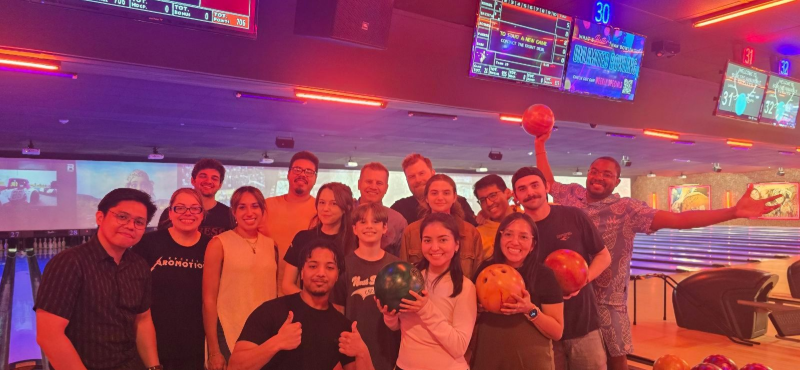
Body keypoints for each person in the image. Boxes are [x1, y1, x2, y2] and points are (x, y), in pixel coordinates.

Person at [533, 132, 781, 370]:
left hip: (606, 298)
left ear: (617, 182)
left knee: (617, 353)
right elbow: (547, 183)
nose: (598, 177)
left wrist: (733, 212)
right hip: (568, 295)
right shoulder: (572, 195)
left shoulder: (628, 209)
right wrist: (540, 144)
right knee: (565, 350)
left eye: (607, 174)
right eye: (594, 171)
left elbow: (679, 219)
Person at [35, 188, 162, 370]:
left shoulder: (139, 266)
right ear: (100, 217)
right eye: (122, 217)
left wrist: (154, 367)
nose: (130, 225)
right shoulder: (69, 263)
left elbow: (142, 320)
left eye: (139, 222)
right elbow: (49, 335)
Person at [512, 167, 611, 370]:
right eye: (522, 189)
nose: (530, 192)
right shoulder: (517, 231)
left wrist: (584, 279)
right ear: (515, 196)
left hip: (583, 324)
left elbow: (603, 255)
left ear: (546, 186)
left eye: (535, 185)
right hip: (541, 329)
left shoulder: (574, 216)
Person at [228, 242, 375, 370]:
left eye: (330, 267)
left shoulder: (342, 326)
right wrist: (276, 343)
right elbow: (234, 366)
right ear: (302, 272)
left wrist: (363, 352)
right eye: (313, 266)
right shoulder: (271, 310)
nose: (321, 273)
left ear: (337, 276)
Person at [378, 213, 477, 370]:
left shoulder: (465, 287)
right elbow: (398, 326)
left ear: (456, 244)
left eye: (443, 240)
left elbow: (459, 347)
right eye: (427, 240)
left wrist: (425, 309)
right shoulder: (410, 275)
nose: (435, 247)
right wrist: (389, 315)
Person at [470, 213, 564, 370]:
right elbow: (469, 318)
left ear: (533, 244)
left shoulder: (544, 275)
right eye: (508, 234)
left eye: (523, 237)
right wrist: (477, 310)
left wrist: (530, 310)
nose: (514, 242)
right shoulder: (485, 271)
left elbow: (557, 332)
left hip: (531, 363)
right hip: (488, 359)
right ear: (500, 238)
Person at [133, 188, 211, 370]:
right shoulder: (148, 243)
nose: (187, 213)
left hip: (198, 346)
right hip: (154, 345)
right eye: (180, 208)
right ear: (170, 212)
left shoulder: (212, 246)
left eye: (194, 208)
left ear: (202, 214)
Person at [203, 186, 279, 370]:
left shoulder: (271, 245)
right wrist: (214, 350)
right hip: (229, 329)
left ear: (262, 210)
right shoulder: (218, 244)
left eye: (255, 206)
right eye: (242, 207)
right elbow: (208, 300)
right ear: (234, 212)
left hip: (265, 333)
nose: (249, 212)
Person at [333, 202, 401, 370]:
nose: (369, 226)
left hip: (389, 350)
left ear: (385, 228)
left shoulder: (397, 267)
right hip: (352, 352)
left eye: (375, 222)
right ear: (354, 229)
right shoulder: (343, 266)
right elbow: (336, 316)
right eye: (363, 222)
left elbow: (405, 317)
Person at [399, 174, 484, 279]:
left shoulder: (470, 233)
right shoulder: (411, 232)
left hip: (462, 293)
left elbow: (478, 276)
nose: (440, 198)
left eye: (446, 193)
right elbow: (404, 274)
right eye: (434, 193)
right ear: (426, 198)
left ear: (454, 197)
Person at [258, 151, 319, 295]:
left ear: (315, 178)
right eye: (297, 169)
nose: (302, 175)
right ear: (288, 174)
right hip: (264, 290)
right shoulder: (267, 206)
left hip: (302, 294)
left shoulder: (321, 211)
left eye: (309, 172)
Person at [283, 182, 355, 295]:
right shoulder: (302, 238)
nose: (325, 209)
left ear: (346, 208)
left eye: (333, 204)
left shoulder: (355, 242)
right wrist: (312, 303)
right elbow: (287, 285)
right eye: (322, 203)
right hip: (308, 309)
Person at [391, 153, 478, 226]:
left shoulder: (460, 202)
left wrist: (485, 216)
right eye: (411, 176)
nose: (418, 180)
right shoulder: (399, 208)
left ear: (433, 173)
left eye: (422, 173)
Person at [157, 159, 235, 237]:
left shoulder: (230, 214)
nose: (208, 181)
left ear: (220, 185)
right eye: (203, 176)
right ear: (193, 180)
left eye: (214, 178)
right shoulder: (171, 213)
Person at [356, 162, 408, 256]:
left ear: (386, 188)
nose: (373, 187)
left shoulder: (397, 221)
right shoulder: (344, 214)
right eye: (369, 181)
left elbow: (402, 261)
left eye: (379, 183)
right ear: (359, 184)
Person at [473, 174, 518, 259]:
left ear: (507, 193)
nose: (489, 203)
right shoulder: (477, 235)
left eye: (493, 195)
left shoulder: (527, 220)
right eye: (482, 200)